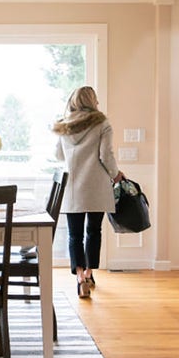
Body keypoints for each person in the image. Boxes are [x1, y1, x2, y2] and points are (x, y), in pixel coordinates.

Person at [53, 86, 124, 298]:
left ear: (73, 101)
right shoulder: (102, 123)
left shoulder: (64, 125)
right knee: (93, 231)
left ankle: (80, 277)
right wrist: (116, 174)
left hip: (73, 187)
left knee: (74, 235)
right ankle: (90, 273)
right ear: (93, 101)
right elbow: (106, 155)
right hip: (96, 186)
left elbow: (58, 155)